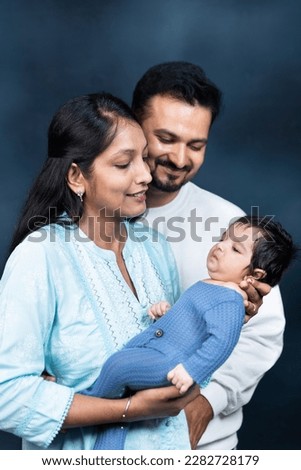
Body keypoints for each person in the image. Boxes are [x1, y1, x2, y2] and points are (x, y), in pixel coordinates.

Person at [0, 92, 200, 451]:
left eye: (144, 158)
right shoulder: (41, 257)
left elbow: (179, 350)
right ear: (77, 177)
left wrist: (223, 309)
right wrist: (127, 409)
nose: (145, 175)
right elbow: (7, 395)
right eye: (124, 164)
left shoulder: (154, 247)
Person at [131, 61, 286, 450]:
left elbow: (262, 335)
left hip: (199, 447)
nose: (181, 158)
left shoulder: (233, 227)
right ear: (133, 128)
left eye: (196, 145)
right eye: (166, 139)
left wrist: (208, 399)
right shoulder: (79, 220)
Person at [80, 215, 296, 450]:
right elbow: (190, 323)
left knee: (119, 367)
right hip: (160, 352)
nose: (220, 247)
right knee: (120, 410)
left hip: (172, 365)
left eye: (235, 249)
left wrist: (191, 370)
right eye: (222, 239)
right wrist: (165, 313)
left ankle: (82, 402)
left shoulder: (231, 301)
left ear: (254, 276)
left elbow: (222, 342)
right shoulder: (210, 285)